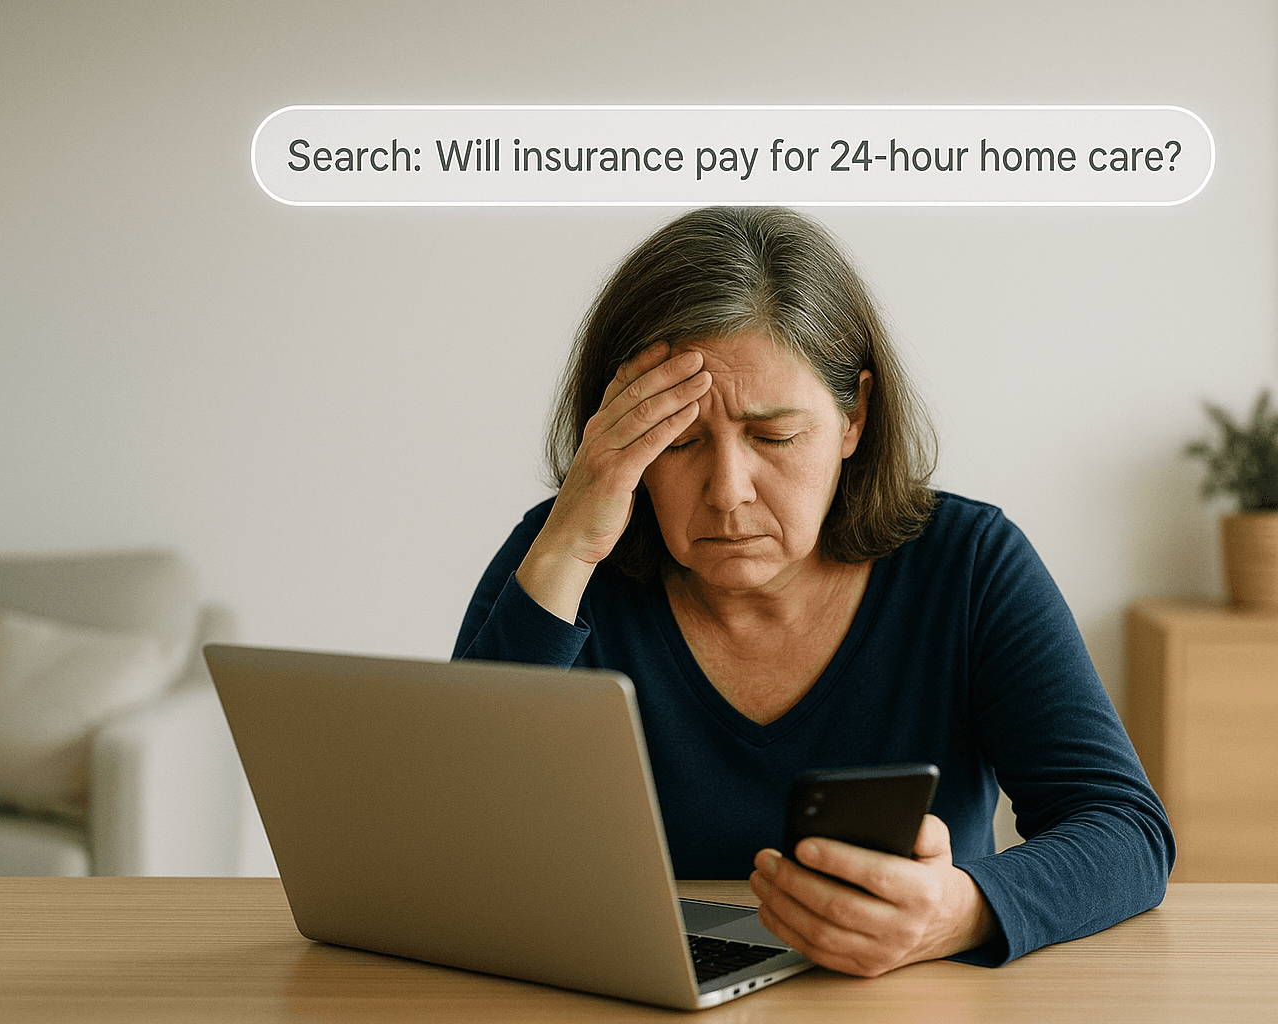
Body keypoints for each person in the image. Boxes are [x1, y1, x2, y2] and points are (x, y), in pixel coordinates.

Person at [453, 206, 1174, 975]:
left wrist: (959, 911)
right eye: (680, 440)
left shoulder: (968, 564)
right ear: (614, 434)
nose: (728, 491)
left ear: (854, 417)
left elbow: (1124, 831)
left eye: (774, 437)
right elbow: (449, 838)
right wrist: (567, 548)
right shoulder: (560, 559)